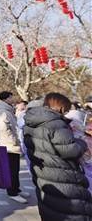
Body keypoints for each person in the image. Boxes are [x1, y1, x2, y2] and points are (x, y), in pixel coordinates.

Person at [24, 92, 92, 220]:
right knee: (71, 212)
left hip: (44, 174)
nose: (66, 113)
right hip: (63, 176)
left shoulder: (31, 123)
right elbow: (70, 150)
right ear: (61, 108)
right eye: (66, 110)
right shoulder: (56, 123)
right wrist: (81, 142)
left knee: (51, 209)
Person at [0, 91, 29, 204]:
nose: (12, 99)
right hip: (8, 145)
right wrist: (12, 138)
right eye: (11, 97)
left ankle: (16, 189)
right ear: (6, 98)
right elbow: (3, 128)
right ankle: (12, 192)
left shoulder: (8, 109)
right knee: (11, 170)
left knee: (15, 169)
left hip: (12, 143)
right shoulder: (3, 111)